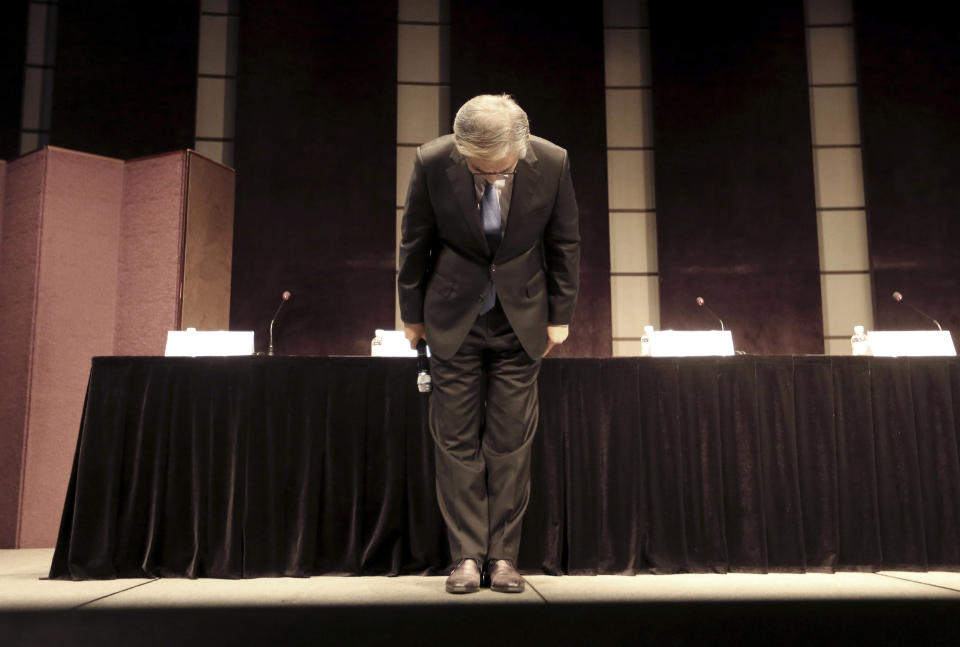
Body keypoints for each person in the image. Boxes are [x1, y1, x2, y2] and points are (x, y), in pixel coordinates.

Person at [398, 94, 579, 594]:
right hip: (452, 317)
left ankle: (502, 557)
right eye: (477, 166)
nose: (489, 173)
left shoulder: (553, 160)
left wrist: (560, 315)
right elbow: (414, 240)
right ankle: (465, 557)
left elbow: (564, 242)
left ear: (519, 149)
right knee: (455, 442)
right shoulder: (433, 160)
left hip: (521, 319)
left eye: (498, 166)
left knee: (510, 443)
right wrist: (410, 316)